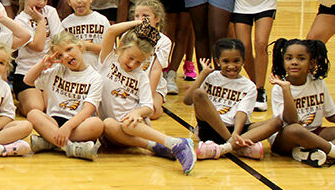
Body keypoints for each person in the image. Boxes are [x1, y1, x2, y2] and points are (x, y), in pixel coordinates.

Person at [98, 20, 196, 174]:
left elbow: (148, 107)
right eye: (130, 58)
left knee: (126, 123)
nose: (133, 64)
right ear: (122, 48)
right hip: (115, 134)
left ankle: (174, 143)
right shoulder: (108, 60)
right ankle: (157, 147)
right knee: (107, 124)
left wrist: (138, 113)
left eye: (139, 62)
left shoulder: (141, 76)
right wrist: (139, 23)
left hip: (134, 127)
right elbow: (111, 31)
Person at [268, 39, 335, 169]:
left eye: (301, 58)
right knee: (295, 129)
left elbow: (332, 115)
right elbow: (291, 121)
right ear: (283, 61)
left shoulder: (318, 83)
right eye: (289, 58)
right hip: (286, 138)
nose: (294, 62)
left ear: (312, 62)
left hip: (315, 133)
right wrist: (286, 89)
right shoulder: (279, 88)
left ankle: (316, 153)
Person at [184, 38, 280, 160]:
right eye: (226, 61)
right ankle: (238, 146)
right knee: (198, 93)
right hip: (210, 129)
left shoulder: (249, 86)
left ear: (243, 61)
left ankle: (225, 147)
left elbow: (242, 112)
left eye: (236, 61)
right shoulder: (211, 77)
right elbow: (187, 100)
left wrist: (235, 133)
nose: (231, 66)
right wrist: (203, 74)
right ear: (218, 62)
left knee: (277, 122)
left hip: (237, 130)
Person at [24, 32, 104, 159]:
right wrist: (42, 64)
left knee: (97, 124)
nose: (66, 56)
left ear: (80, 47)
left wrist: (68, 127)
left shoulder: (95, 77)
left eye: (69, 49)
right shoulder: (57, 71)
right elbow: (27, 80)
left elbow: (88, 110)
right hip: (54, 122)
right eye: (60, 55)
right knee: (33, 114)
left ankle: (50, 142)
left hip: (77, 126)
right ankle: (70, 147)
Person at [11, 0, 62, 116]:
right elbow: (38, 46)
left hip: (50, 71)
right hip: (26, 72)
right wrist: (40, 21)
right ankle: (20, 104)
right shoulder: (19, 20)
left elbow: (58, 42)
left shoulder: (50, 11)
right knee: (36, 108)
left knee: (51, 109)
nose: (42, 3)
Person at [59, 0, 111, 70]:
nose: (79, 1)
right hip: (75, 73)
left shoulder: (102, 20)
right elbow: (62, 52)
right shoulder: (65, 24)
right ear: (68, 1)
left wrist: (86, 45)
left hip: (98, 71)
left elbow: (110, 51)